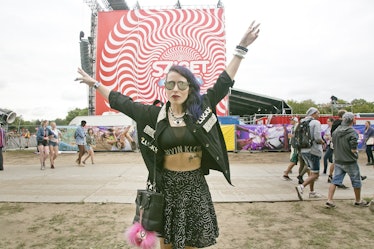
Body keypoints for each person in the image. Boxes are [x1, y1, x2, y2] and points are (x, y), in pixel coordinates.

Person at [75, 21, 260, 249]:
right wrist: (95, 84)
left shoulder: (200, 108)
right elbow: (122, 102)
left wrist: (241, 48)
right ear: (164, 87)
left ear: (190, 87)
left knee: (192, 243)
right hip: (166, 187)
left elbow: (223, 82)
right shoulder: (153, 114)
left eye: (181, 84)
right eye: (169, 84)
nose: (175, 89)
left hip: (195, 185)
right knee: (168, 245)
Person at [325, 112, 369, 208]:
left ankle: (329, 200)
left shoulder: (336, 131)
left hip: (338, 160)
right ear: (352, 120)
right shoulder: (352, 132)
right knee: (356, 181)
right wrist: (355, 153)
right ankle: (358, 200)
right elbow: (353, 149)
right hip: (350, 161)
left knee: (335, 181)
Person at [295, 107, 324, 201]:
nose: (319, 115)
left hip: (303, 150)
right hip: (313, 150)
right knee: (316, 174)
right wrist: (323, 142)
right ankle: (301, 187)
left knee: (311, 172)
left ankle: (312, 192)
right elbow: (317, 138)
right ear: (314, 113)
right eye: (318, 113)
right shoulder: (316, 123)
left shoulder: (301, 122)